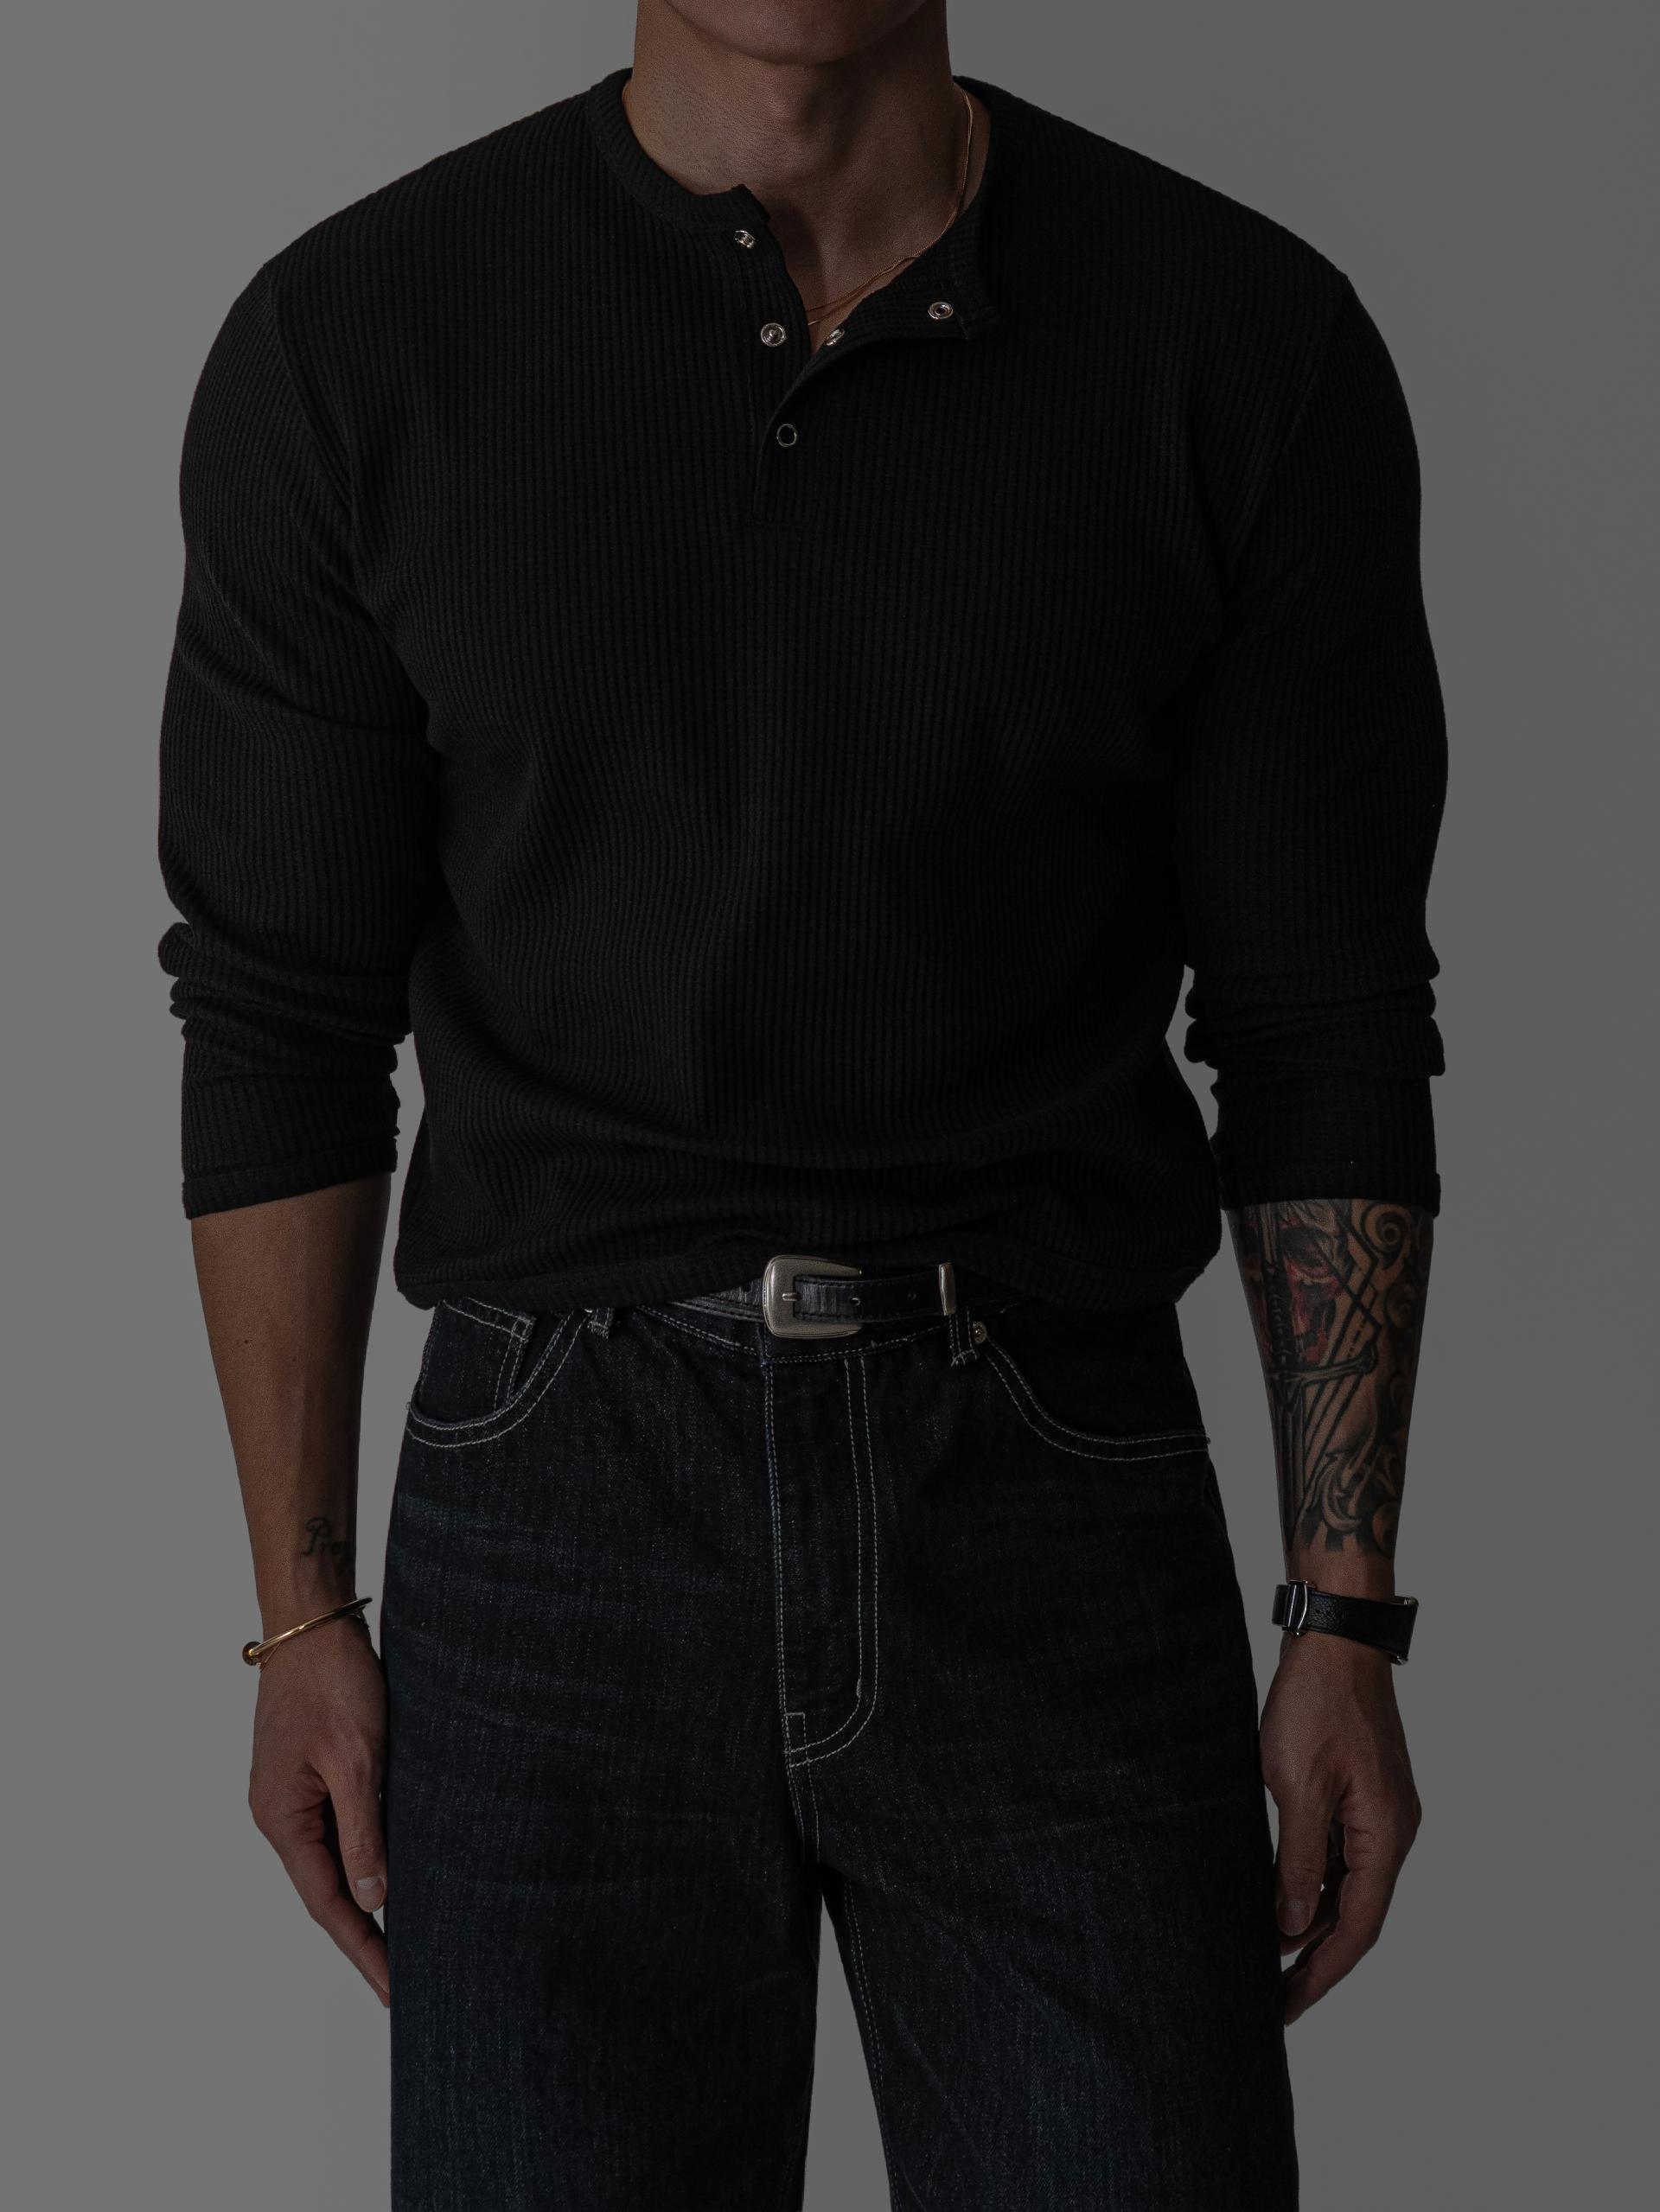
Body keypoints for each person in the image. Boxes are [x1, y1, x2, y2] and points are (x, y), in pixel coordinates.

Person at [156, 4, 1444, 2205]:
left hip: (1052, 1484)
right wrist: (300, 1613)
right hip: (552, 1508)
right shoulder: (358, 338)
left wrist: (1344, 1612)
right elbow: (278, 1012)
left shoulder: (1236, 338)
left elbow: (1321, 1013)